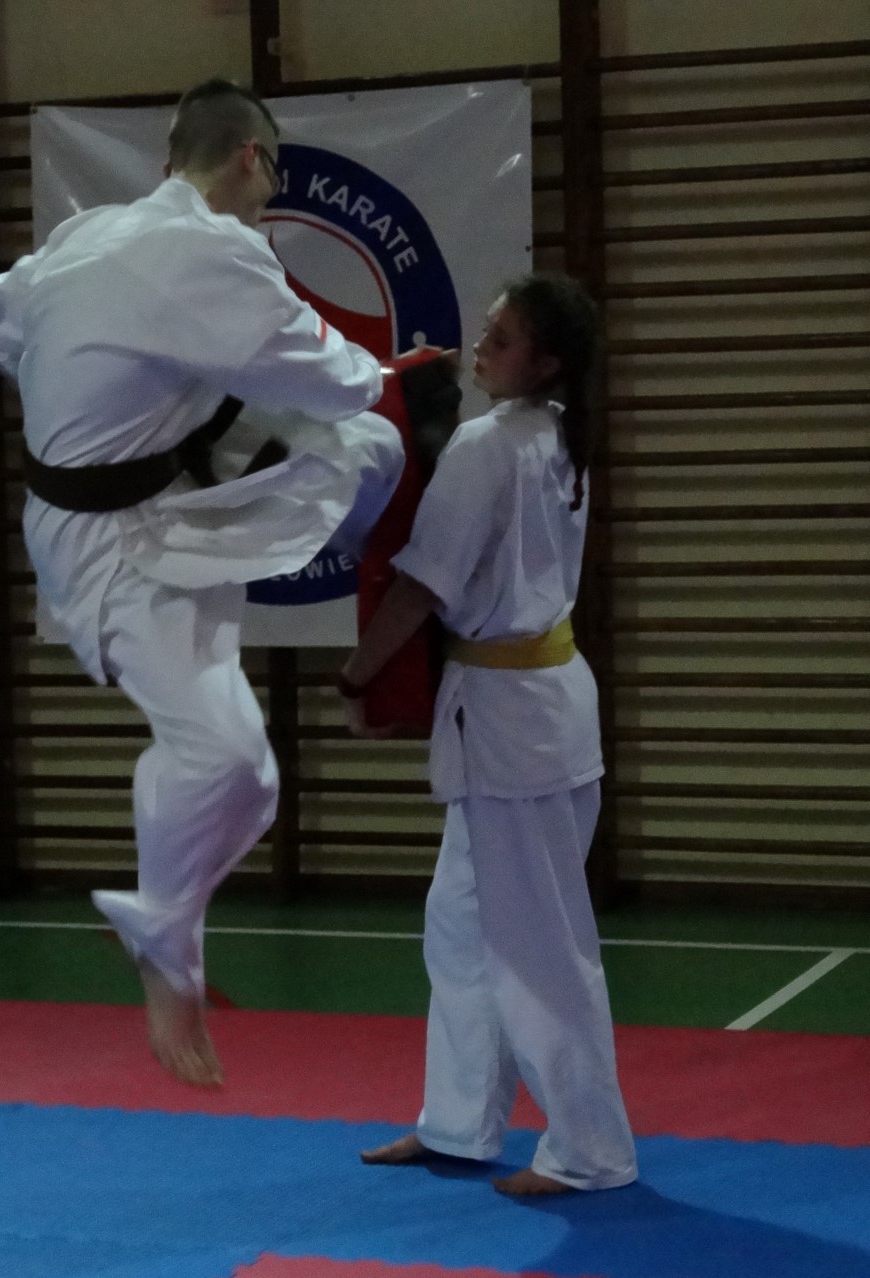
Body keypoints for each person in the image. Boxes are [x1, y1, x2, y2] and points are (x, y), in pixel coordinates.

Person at [0, 79, 403, 1089]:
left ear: (165, 164)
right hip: (113, 545)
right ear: (250, 158)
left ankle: (164, 921)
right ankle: (161, 932)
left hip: (140, 509)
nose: (269, 196)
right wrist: (393, 374)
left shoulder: (89, 234)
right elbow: (337, 374)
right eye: (271, 175)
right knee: (229, 756)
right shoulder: (215, 249)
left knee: (252, 773)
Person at [338, 274, 637, 1197]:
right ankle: (460, 1124)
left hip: (515, 725)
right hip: (535, 707)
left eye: (501, 339)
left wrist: (359, 675)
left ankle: (590, 1149)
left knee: (538, 946)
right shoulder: (555, 437)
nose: (481, 346)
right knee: (461, 929)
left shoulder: (489, 446)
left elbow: (422, 586)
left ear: (543, 364)